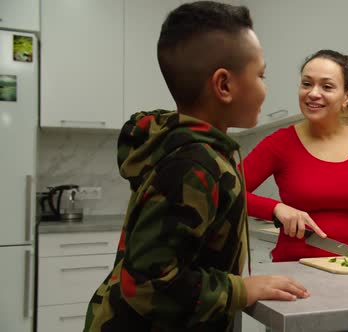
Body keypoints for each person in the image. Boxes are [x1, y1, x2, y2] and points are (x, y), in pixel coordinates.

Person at [83, 2, 308, 331]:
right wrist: (240, 289)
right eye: (261, 75)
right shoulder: (194, 164)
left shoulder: (205, 153)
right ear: (224, 86)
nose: (265, 87)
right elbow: (148, 283)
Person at [241, 49, 348, 262]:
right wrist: (276, 208)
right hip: (295, 269)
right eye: (307, 84)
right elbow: (226, 192)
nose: (313, 93)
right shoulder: (280, 143)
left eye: (327, 86)